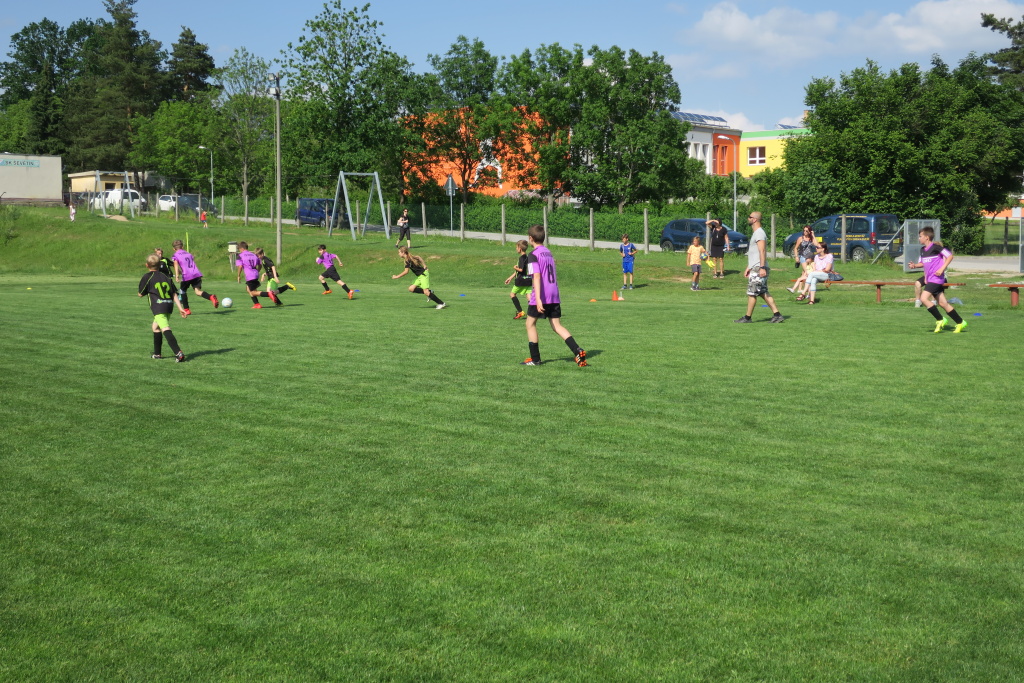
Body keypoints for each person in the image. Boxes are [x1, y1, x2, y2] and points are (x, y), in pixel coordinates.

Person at [520, 224, 587, 367]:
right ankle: (577, 350)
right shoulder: (548, 252)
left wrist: (538, 299)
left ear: (530, 238)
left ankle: (535, 359)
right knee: (556, 325)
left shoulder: (533, 255)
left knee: (530, 324)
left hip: (542, 295)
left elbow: (536, 276)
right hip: (554, 293)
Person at [908, 226, 967, 333]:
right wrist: (914, 265)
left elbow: (950, 256)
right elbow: (923, 263)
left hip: (937, 279)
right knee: (943, 304)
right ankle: (960, 322)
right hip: (930, 279)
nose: (919, 238)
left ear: (926, 237)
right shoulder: (922, 250)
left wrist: (941, 269)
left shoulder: (936, 248)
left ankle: (940, 319)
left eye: (920, 236)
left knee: (923, 298)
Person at [735, 211, 784, 323]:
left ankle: (747, 318)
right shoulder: (756, 233)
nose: (748, 218)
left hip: (759, 268)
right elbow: (755, 253)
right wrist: (749, 267)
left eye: (750, 217)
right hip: (756, 267)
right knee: (762, 292)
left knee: (752, 293)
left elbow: (762, 251)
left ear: (755, 219)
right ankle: (777, 315)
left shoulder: (759, 233)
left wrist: (762, 268)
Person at [138, 253, 187, 362]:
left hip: (158, 307)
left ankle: (178, 353)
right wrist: (180, 308)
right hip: (169, 305)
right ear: (159, 264)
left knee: (165, 328)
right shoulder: (166, 276)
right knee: (155, 327)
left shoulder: (147, 277)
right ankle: (157, 354)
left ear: (147, 265)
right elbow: (174, 293)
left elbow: (140, 294)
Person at [171, 239, 219, 314]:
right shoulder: (188, 254)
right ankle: (211, 297)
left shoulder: (175, 255)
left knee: (182, 291)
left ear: (174, 249)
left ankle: (187, 310)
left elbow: (176, 265)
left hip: (187, 275)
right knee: (197, 291)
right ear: (182, 247)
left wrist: (177, 276)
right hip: (196, 274)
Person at [236, 241, 279, 309]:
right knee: (248, 289)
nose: (239, 251)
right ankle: (257, 304)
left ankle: (269, 294)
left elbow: (240, 266)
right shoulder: (253, 255)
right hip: (255, 274)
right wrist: (257, 271)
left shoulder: (240, 256)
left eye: (239, 249)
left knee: (253, 292)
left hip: (249, 275)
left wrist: (238, 276)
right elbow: (260, 265)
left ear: (241, 248)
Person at [503, 239, 531, 320]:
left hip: (520, 281)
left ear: (520, 248)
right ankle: (532, 313)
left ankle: (520, 312)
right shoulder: (528, 258)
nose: (516, 249)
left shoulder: (521, 258)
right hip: (528, 279)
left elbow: (520, 270)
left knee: (512, 294)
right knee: (529, 296)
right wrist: (510, 278)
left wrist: (515, 267)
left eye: (516, 247)